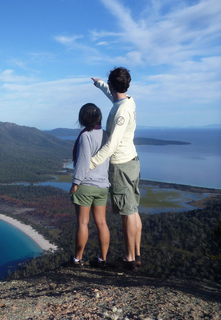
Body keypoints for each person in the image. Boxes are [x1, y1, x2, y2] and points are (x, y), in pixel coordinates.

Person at [90, 67, 142, 270]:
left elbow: (111, 144)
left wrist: (92, 163)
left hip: (121, 165)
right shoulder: (128, 101)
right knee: (133, 209)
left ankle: (129, 259)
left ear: (113, 85)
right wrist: (99, 84)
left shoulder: (121, 110)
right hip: (132, 161)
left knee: (127, 212)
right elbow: (114, 96)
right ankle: (136, 254)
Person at [69, 103, 111, 268]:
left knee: (83, 223)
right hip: (102, 186)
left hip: (86, 184)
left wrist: (75, 183)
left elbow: (83, 161)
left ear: (82, 118)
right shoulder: (106, 135)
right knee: (102, 223)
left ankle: (78, 259)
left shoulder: (86, 136)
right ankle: (103, 259)